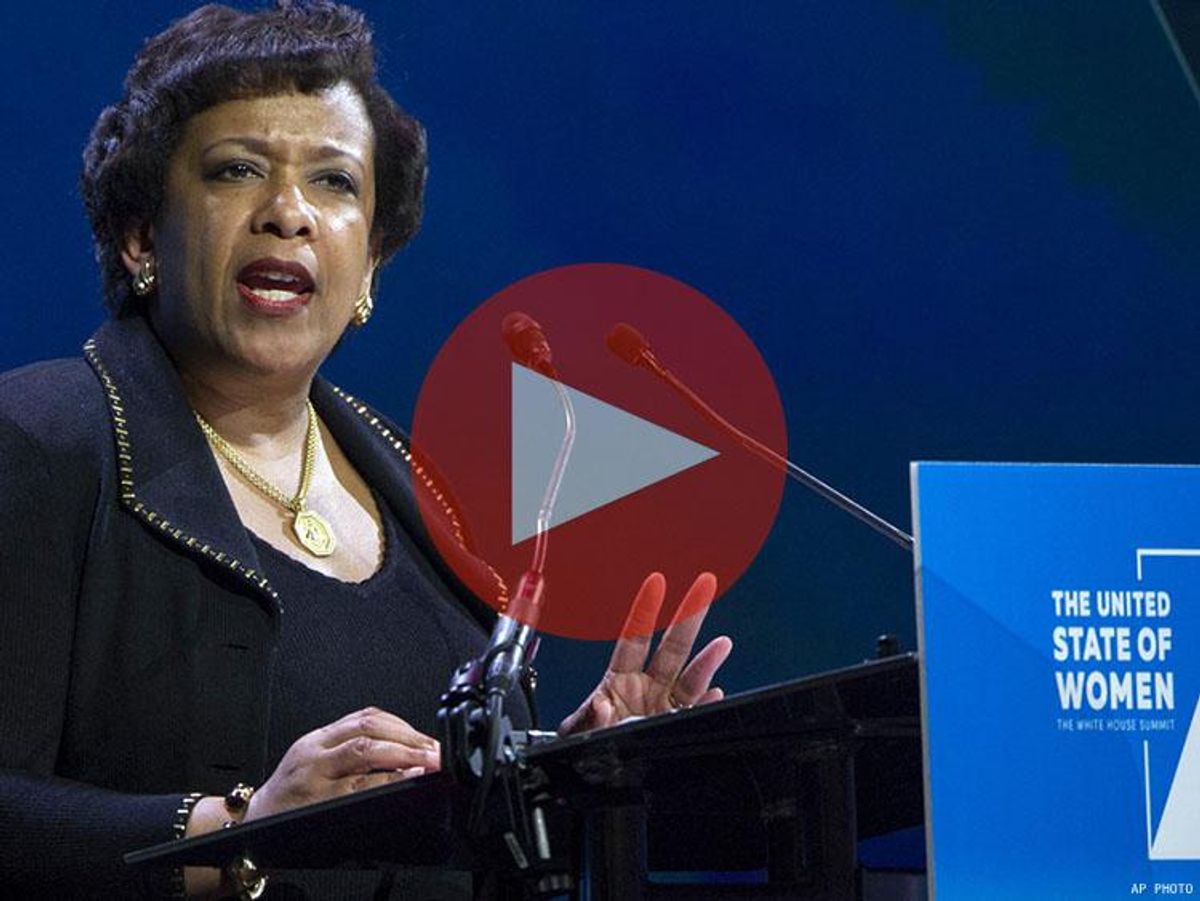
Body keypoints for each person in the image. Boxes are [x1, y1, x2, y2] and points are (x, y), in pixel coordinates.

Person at [0, 1, 732, 897]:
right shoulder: (36, 442)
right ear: (141, 234)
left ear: (371, 265)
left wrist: (567, 776)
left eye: (335, 182)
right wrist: (238, 832)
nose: (289, 214)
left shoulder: (429, 499)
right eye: (237, 170)